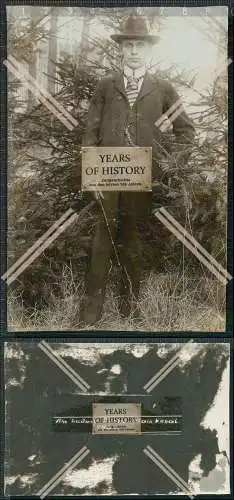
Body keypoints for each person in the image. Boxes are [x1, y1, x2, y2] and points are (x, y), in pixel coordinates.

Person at [80, 14, 195, 326]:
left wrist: (168, 164)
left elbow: (186, 130)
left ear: (148, 49)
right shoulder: (106, 86)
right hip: (105, 175)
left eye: (139, 45)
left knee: (132, 240)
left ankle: (130, 312)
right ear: (121, 49)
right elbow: (90, 130)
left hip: (141, 178)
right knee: (102, 240)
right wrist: (90, 168)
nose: (133, 51)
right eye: (128, 44)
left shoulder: (162, 87)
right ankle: (90, 317)